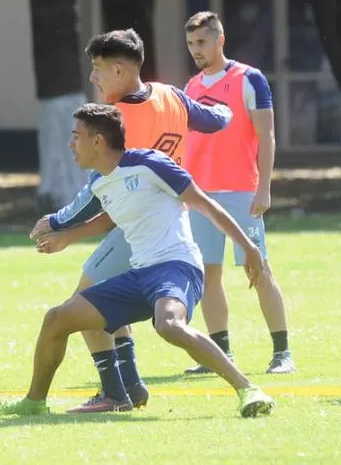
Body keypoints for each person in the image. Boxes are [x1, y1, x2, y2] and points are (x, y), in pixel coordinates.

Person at [0, 104, 275, 418]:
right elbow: (111, 217)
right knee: (57, 318)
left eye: (75, 136)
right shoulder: (101, 181)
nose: (70, 144)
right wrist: (68, 236)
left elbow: (206, 206)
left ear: (98, 142)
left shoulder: (150, 164)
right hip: (140, 273)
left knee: (169, 325)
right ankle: (34, 402)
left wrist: (249, 248)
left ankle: (248, 389)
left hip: (177, 267)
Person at [28, 28, 232, 413]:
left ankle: (116, 391)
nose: (93, 78)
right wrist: (228, 108)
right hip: (164, 220)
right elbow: (213, 120)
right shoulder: (171, 95)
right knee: (104, 305)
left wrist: (57, 223)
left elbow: (93, 195)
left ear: (119, 70)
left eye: (98, 69)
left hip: (137, 228)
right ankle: (130, 386)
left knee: (83, 304)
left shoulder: (113, 121)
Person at [180, 11, 295, 375]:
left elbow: (267, 136)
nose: (195, 50)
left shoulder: (250, 79)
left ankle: (282, 353)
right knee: (208, 274)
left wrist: (264, 188)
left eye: (201, 42)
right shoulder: (190, 88)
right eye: (190, 44)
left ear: (220, 40)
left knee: (259, 269)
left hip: (243, 193)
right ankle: (220, 353)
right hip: (202, 196)